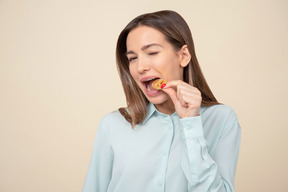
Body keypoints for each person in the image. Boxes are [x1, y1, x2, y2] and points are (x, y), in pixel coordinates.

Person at [82, 10, 241, 192]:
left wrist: (190, 124)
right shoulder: (112, 125)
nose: (141, 67)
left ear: (183, 56)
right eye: (133, 58)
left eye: (152, 52)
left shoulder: (222, 119)